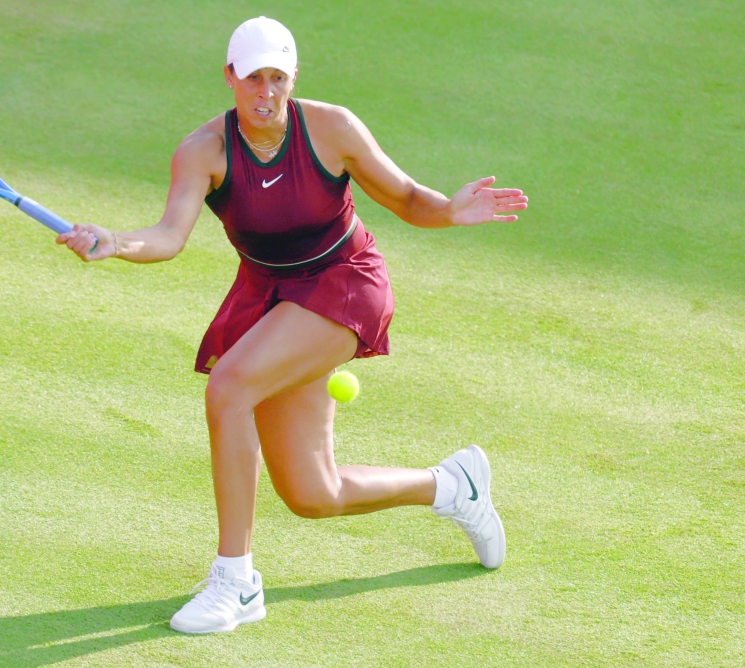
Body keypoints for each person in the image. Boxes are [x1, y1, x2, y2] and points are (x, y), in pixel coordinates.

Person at [57, 16, 528, 634]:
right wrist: (116, 241)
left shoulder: (332, 128)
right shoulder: (203, 151)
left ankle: (236, 582)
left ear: (293, 77)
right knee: (312, 493)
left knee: (229, 387)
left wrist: (448, 210)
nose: (265, 91)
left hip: (346, 282)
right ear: (230, 77)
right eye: (253, 77)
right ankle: (451, 487)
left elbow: (408, 198)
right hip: (271, 297)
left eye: (277, 77)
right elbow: (169, 237)